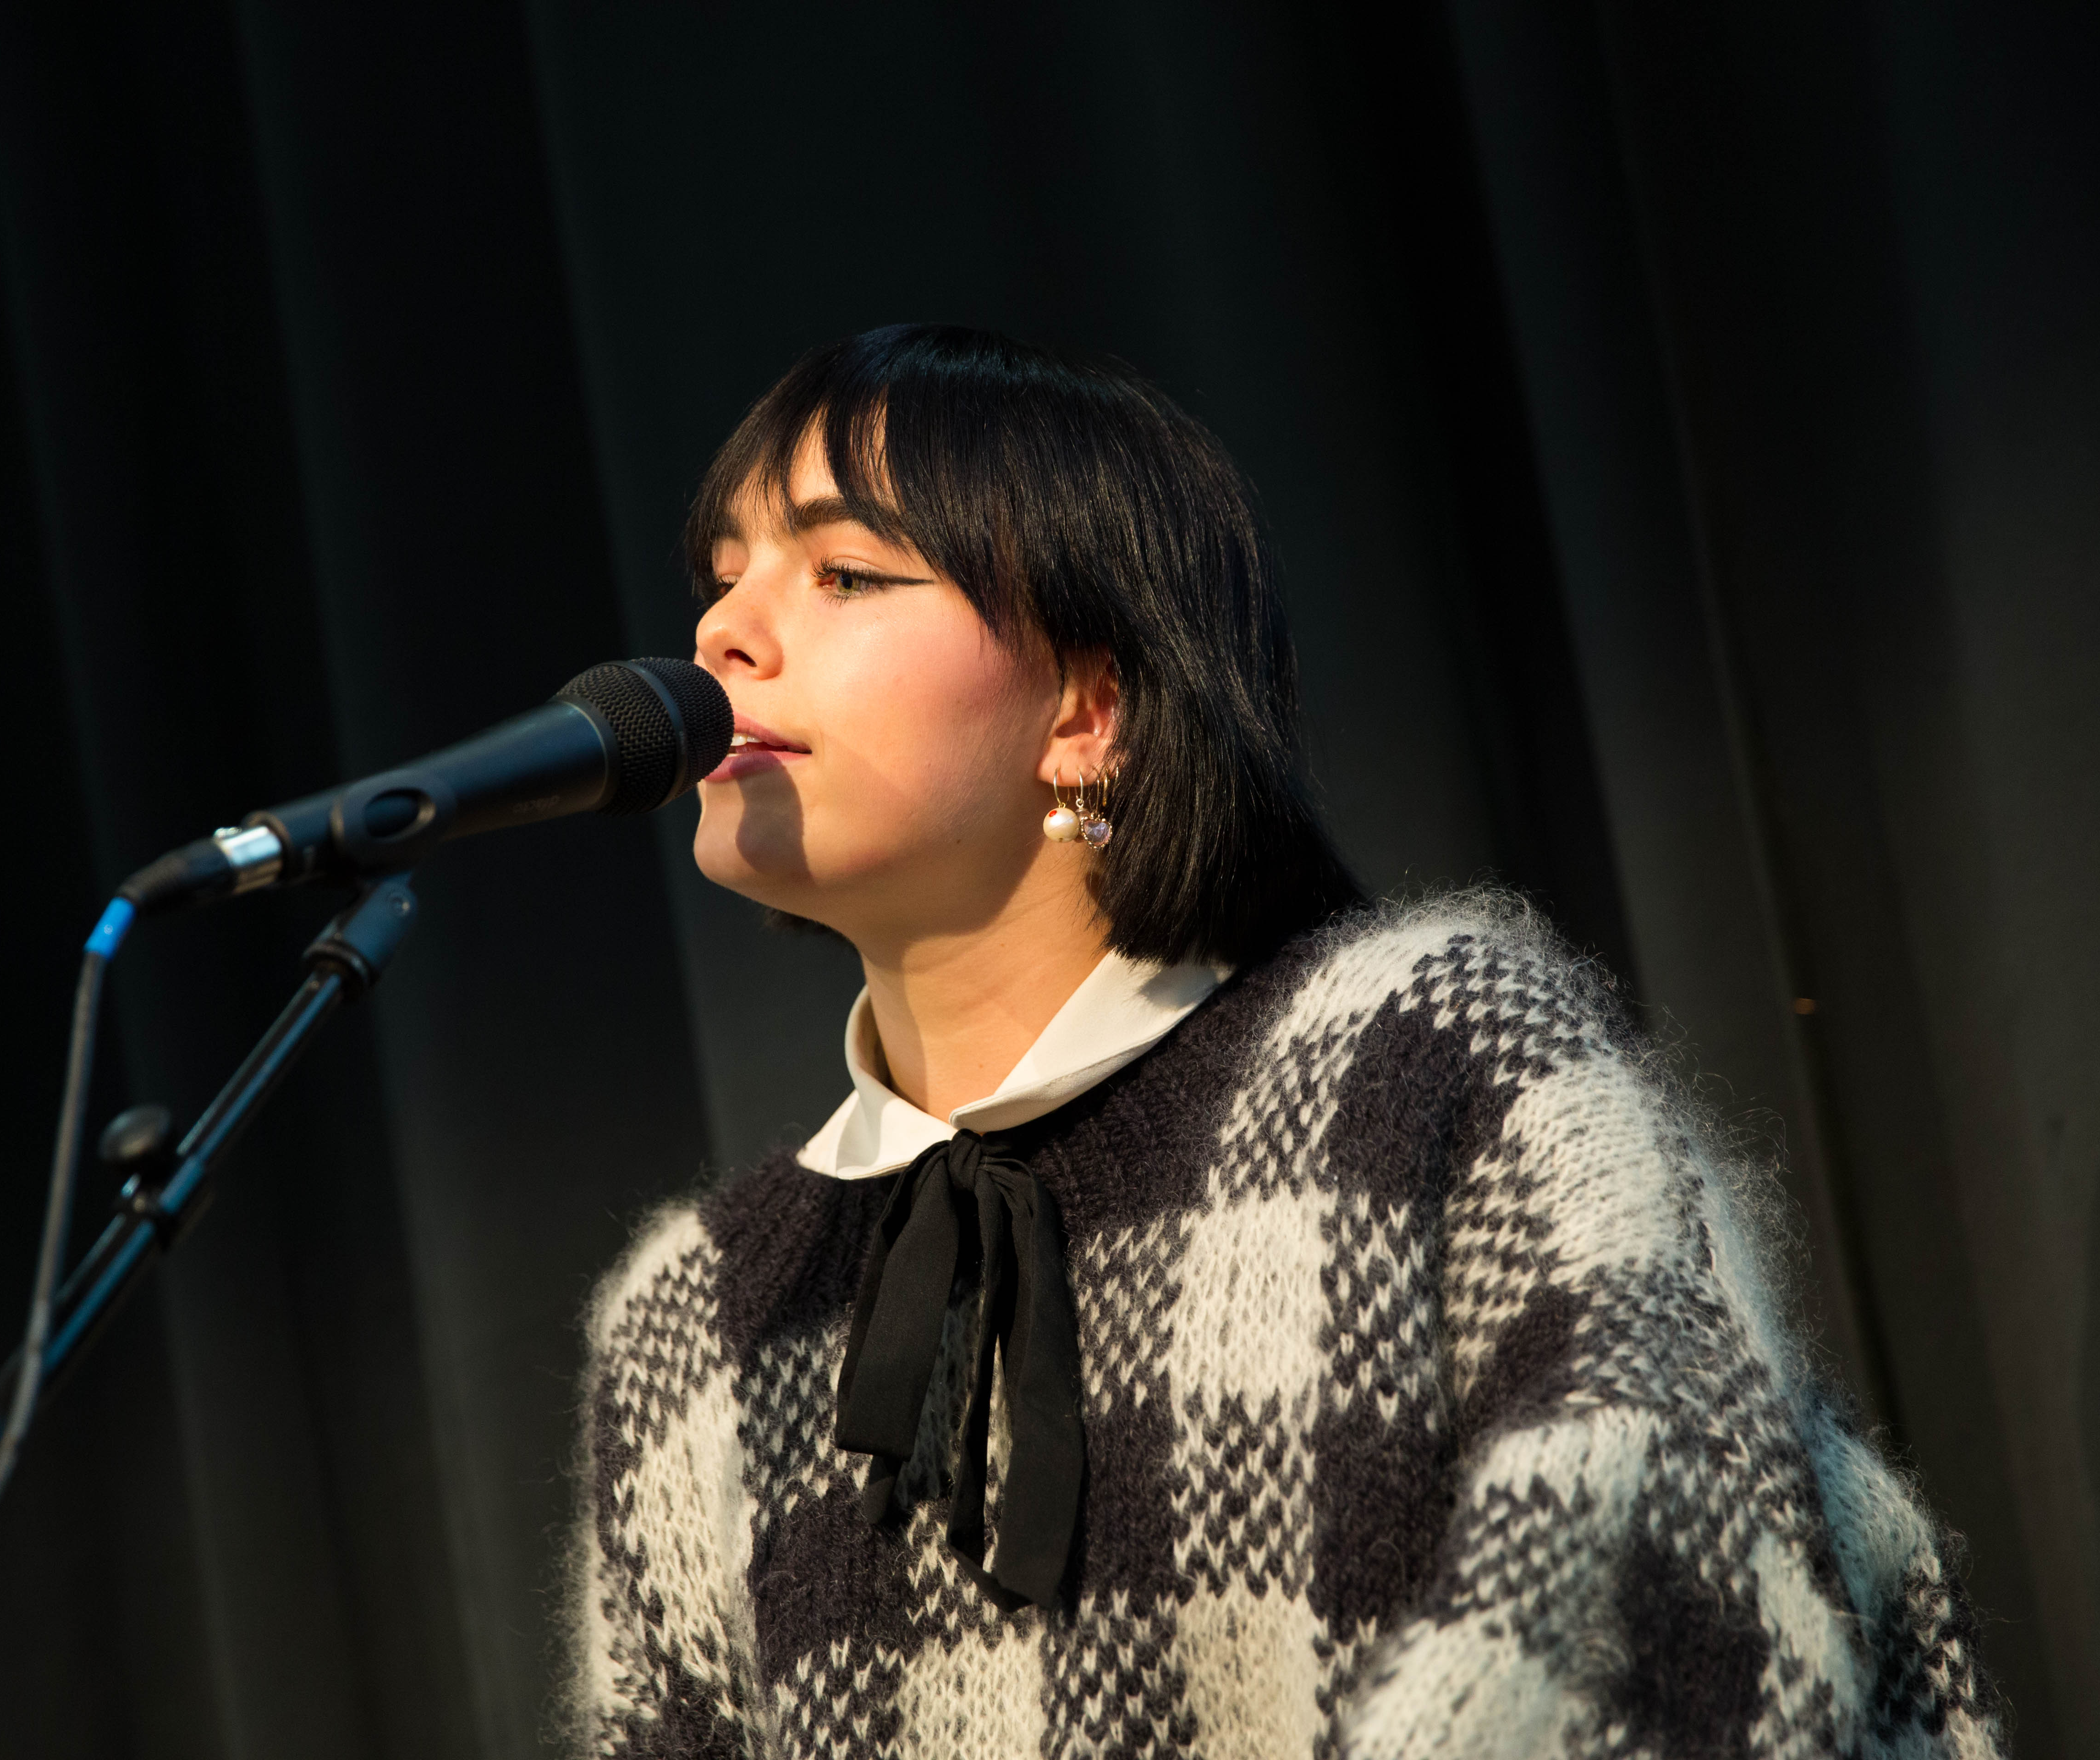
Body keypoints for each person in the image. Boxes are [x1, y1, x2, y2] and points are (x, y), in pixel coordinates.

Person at [562, 324, 2001, 1758]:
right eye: (723, 575)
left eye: (845, 572)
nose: (720, 633)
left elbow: (1667, 1607)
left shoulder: (1426, 1062)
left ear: (1089, 708)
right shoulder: (692, 1316)